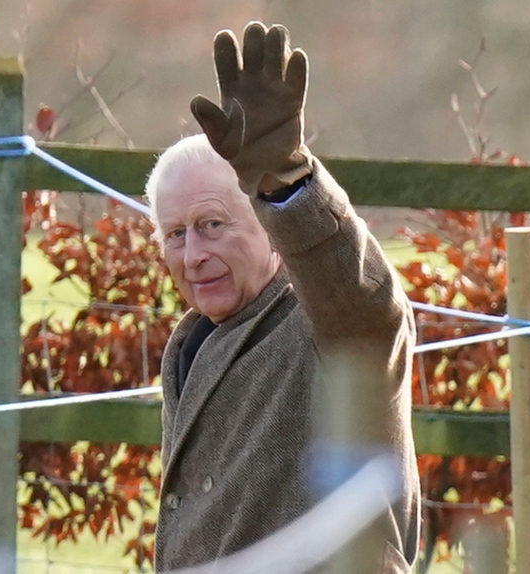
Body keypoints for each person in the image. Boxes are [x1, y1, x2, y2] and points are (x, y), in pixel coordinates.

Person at [145, 21, 420, 573]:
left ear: (271, 226)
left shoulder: (326, 326)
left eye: (213, 224)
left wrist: (284, 181)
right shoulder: (194, 344)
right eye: (176, 234)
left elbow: (360, 299)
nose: (193, 253)